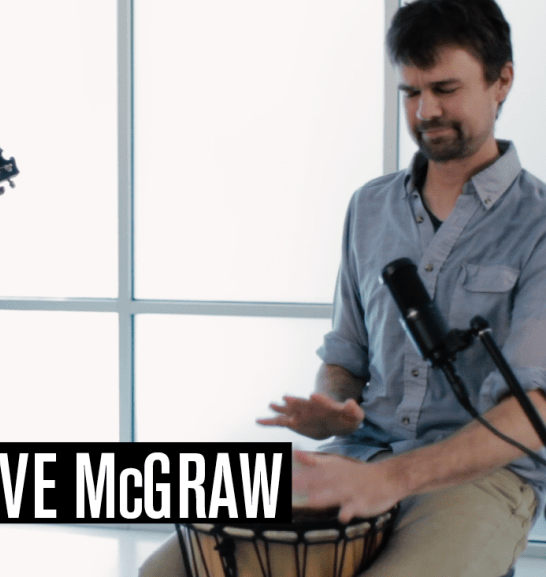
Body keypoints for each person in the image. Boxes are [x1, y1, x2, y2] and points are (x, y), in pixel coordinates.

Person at [141, 1, 546, 575]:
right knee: (167, 571)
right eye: (410, 92)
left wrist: (391, 480)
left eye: (445, 88)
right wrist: (330, 411)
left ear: (502, 79)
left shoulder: (540, 225)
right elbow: (346, 359)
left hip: (482, 478)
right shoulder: (368, 208)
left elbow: (535, 411)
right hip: (360, 453)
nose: (426, 111)